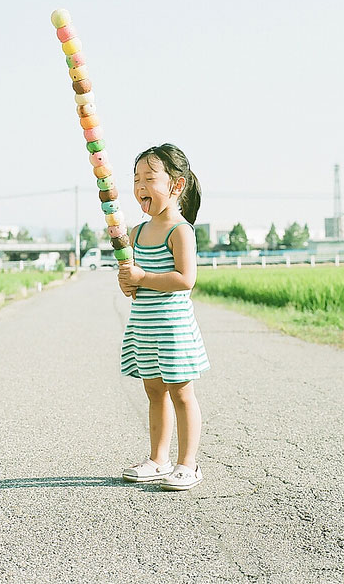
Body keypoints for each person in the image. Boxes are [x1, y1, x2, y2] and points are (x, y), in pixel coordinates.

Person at [117, 143, 210, 491]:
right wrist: (128, 281)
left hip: (172, 327)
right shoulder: (137, 233)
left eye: (149, 178)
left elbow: (185, 279)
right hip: (144, 325)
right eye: (136, 178)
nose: (140, 186)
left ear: (176, 185)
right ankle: (159, 459)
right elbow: (134, 282)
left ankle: (189, 463)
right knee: (154, 391)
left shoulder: (179, 230)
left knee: (181, 393)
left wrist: (142, 278)